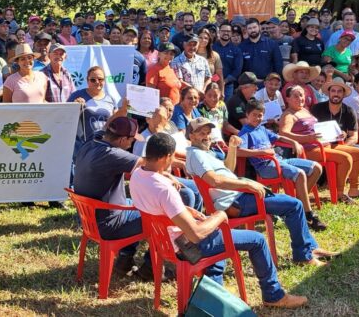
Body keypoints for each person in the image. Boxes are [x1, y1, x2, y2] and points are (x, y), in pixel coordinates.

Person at [129, 132, 309, 308]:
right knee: (258, 240)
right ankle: (274, 296)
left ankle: (210, 301)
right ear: (165, 157)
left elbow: (158, 209)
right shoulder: (164, 190)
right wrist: (220, 216)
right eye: (171, 158)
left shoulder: (137, 175)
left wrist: (187, 210)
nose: (172, 162)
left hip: (163, 244)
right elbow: (196, 234)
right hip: (186, 247)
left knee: (215, 250)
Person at [187, 119, 337, 266]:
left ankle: (310, 248)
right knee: (294, 205)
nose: (206, 136)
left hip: (238, 197)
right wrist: (246, 183)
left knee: (291, 203)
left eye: (208, 133)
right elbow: (215, 181)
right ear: (191, 136)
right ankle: (304, 255)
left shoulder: (203, 153)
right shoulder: (197, 155)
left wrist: (232, 147)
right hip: (235, 202)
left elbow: (228, 168)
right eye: (201, 133)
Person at [74, 117, 194, 280]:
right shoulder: (112, 154)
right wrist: (176, 167)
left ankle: (125, 257)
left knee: (138, 203)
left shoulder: (94, 139)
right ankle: (152, 266)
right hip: (110, 224)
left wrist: (164, 172)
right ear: (123, 139)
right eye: (131, 140)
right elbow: (149, 162)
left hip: (92, 217)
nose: (131, 145)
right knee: (169, 207)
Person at [238, 99, 324, 221]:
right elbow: (238, 152)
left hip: (279, 160)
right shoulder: (245, 133)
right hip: (265, 166)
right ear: (247, 115)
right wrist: (262, 152)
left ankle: (297, 205)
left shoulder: (261, 129)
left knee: (316, 168)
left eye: (260, 115)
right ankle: (308, 214)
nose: (257, 118)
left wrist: (294, 141)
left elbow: (278, 137)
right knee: (299, 174)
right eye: (254, 115)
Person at [282, 84, 359, 205]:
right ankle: (339, 193)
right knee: (345, 158)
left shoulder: (304, 110)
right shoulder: (289, 115)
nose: (299, 98)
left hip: (324, 144)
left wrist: (337, 134)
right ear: (288, 99)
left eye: (301, 95)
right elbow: (283, 134)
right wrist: (307, 138)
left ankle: (354, 189)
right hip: (309, 150)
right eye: (295, 96)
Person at [310, 81, 359, 201]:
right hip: (319, 145)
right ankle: (339, 193)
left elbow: (354, 136)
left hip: (338, 144)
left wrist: (344, 143)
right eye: (333, 91)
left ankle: (354, 189)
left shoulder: (349, 111)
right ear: (329, 93)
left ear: (343, 94)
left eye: (339, 91)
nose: (336, 94)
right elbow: (308, 129)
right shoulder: (316, 109)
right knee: (347, 156)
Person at [240, 18, 283, 83]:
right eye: (250, 28)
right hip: (249, 84)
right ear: (246, 30)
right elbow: (240, 67)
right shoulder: (241, 46)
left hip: (267, 83)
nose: (253, 30)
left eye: (254, 27)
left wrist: (274, 80)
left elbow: (278, 64)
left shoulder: (272, 44)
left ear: (259, 27)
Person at [212, 22, 243, 99]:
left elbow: (237, 70)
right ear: (219, 32)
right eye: (223, 31)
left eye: (228, 31)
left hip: (229, 86)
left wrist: (224, 81)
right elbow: (209, 66)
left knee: (226, 108)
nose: (226, 33)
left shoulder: (236, 50)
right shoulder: (212, 47)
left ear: (231, 33)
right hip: (213, 84)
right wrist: (217, 80)